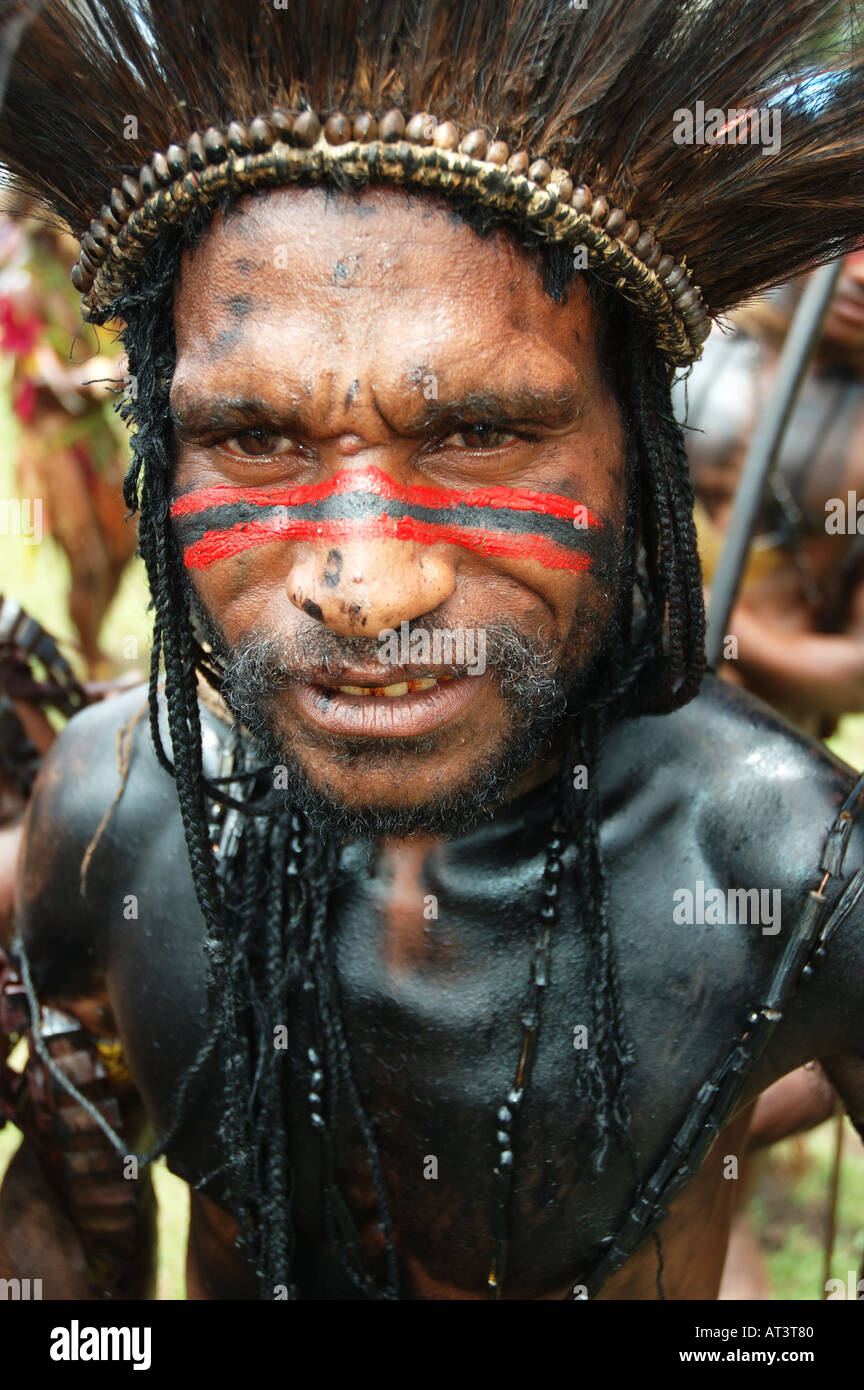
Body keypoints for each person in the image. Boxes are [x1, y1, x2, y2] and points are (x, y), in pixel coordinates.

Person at [2, 0, 864, 1302]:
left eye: (475, 432)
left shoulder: (790, 867)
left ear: (637, 456)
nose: (361, 583)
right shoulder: (110, 807)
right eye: (256, 438)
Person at [677, 253, 864, 739]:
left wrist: (701, 615)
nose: (860, 273)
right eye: (852, 240)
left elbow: (858, 672)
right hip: (616, 680)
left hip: (758, 732)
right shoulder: (691, 340)